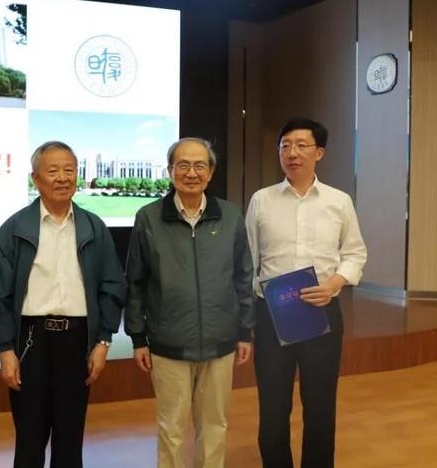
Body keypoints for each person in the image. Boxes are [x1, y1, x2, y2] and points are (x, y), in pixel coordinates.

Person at [0, 141, 126, 468]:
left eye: (69, 170)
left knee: (70, 438)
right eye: (53, 171)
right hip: (31, 340)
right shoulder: (15, 228)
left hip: (78, 340)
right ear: (36, 178)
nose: (62, 178)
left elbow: (113, 286)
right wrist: (5, 349)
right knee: (29, 439)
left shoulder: (93, 227)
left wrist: (103, 341)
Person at [125, 137, 254, 468]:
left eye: (199, 165)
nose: (191, 173)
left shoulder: (230, 216)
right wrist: (138, 337)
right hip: (169, 343)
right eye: (183, 165)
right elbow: (136, 281)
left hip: (220, 342)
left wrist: (244, 331)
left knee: (214, 426)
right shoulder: (149, 218)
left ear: (211, 172)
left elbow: (243, 277)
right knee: (172, 429)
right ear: (170, 171)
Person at [245, 118, 367, 468]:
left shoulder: (339, 201)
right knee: (272, 407)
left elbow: (355, 253)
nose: (292, 153)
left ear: (319, 153)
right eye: (285, 146)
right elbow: (248, 261)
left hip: (321, 313)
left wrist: (334, 284)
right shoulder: (262, 200)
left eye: (301, 145)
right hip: (272, 316)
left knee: (320, 406)